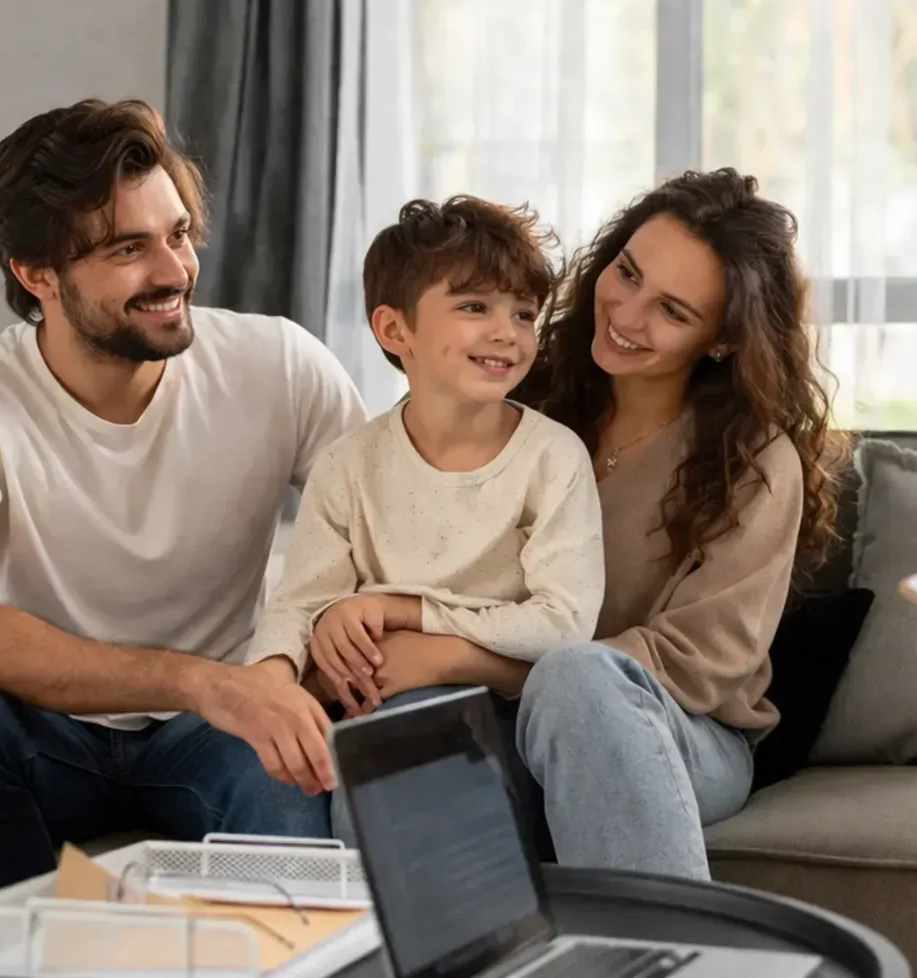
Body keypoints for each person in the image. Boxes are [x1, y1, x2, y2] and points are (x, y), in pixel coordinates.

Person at [0, 99, 366, 935]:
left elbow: (390, 534)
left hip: (218, 737)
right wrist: (205, 682)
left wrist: (282, 674)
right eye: (127, 248)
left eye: (177, 234)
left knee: (286, 767)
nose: (172, 269)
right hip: (46, 728)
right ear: (37, 273)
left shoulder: (278, 364)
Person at [345, 168, 839, 880]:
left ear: (724, 339)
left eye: (671, 310)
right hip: (508, 713)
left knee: (577, 680)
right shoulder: (527, 397)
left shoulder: (754, 462)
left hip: (679, 730)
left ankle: (668, 959)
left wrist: (464, 657)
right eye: (627, 273)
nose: (627, 314)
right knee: (399, 722)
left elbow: (696, 665)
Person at [246, 195, 604, 713]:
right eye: (475, 307)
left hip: (506, 711)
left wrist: (406, 612)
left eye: (524, 313)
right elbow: (300, 604)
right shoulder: (346, 465)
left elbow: (564, 624)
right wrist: (280, 675)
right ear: (395, 330)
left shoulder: (553, 459)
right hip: (364, 704)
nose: (508, 332)